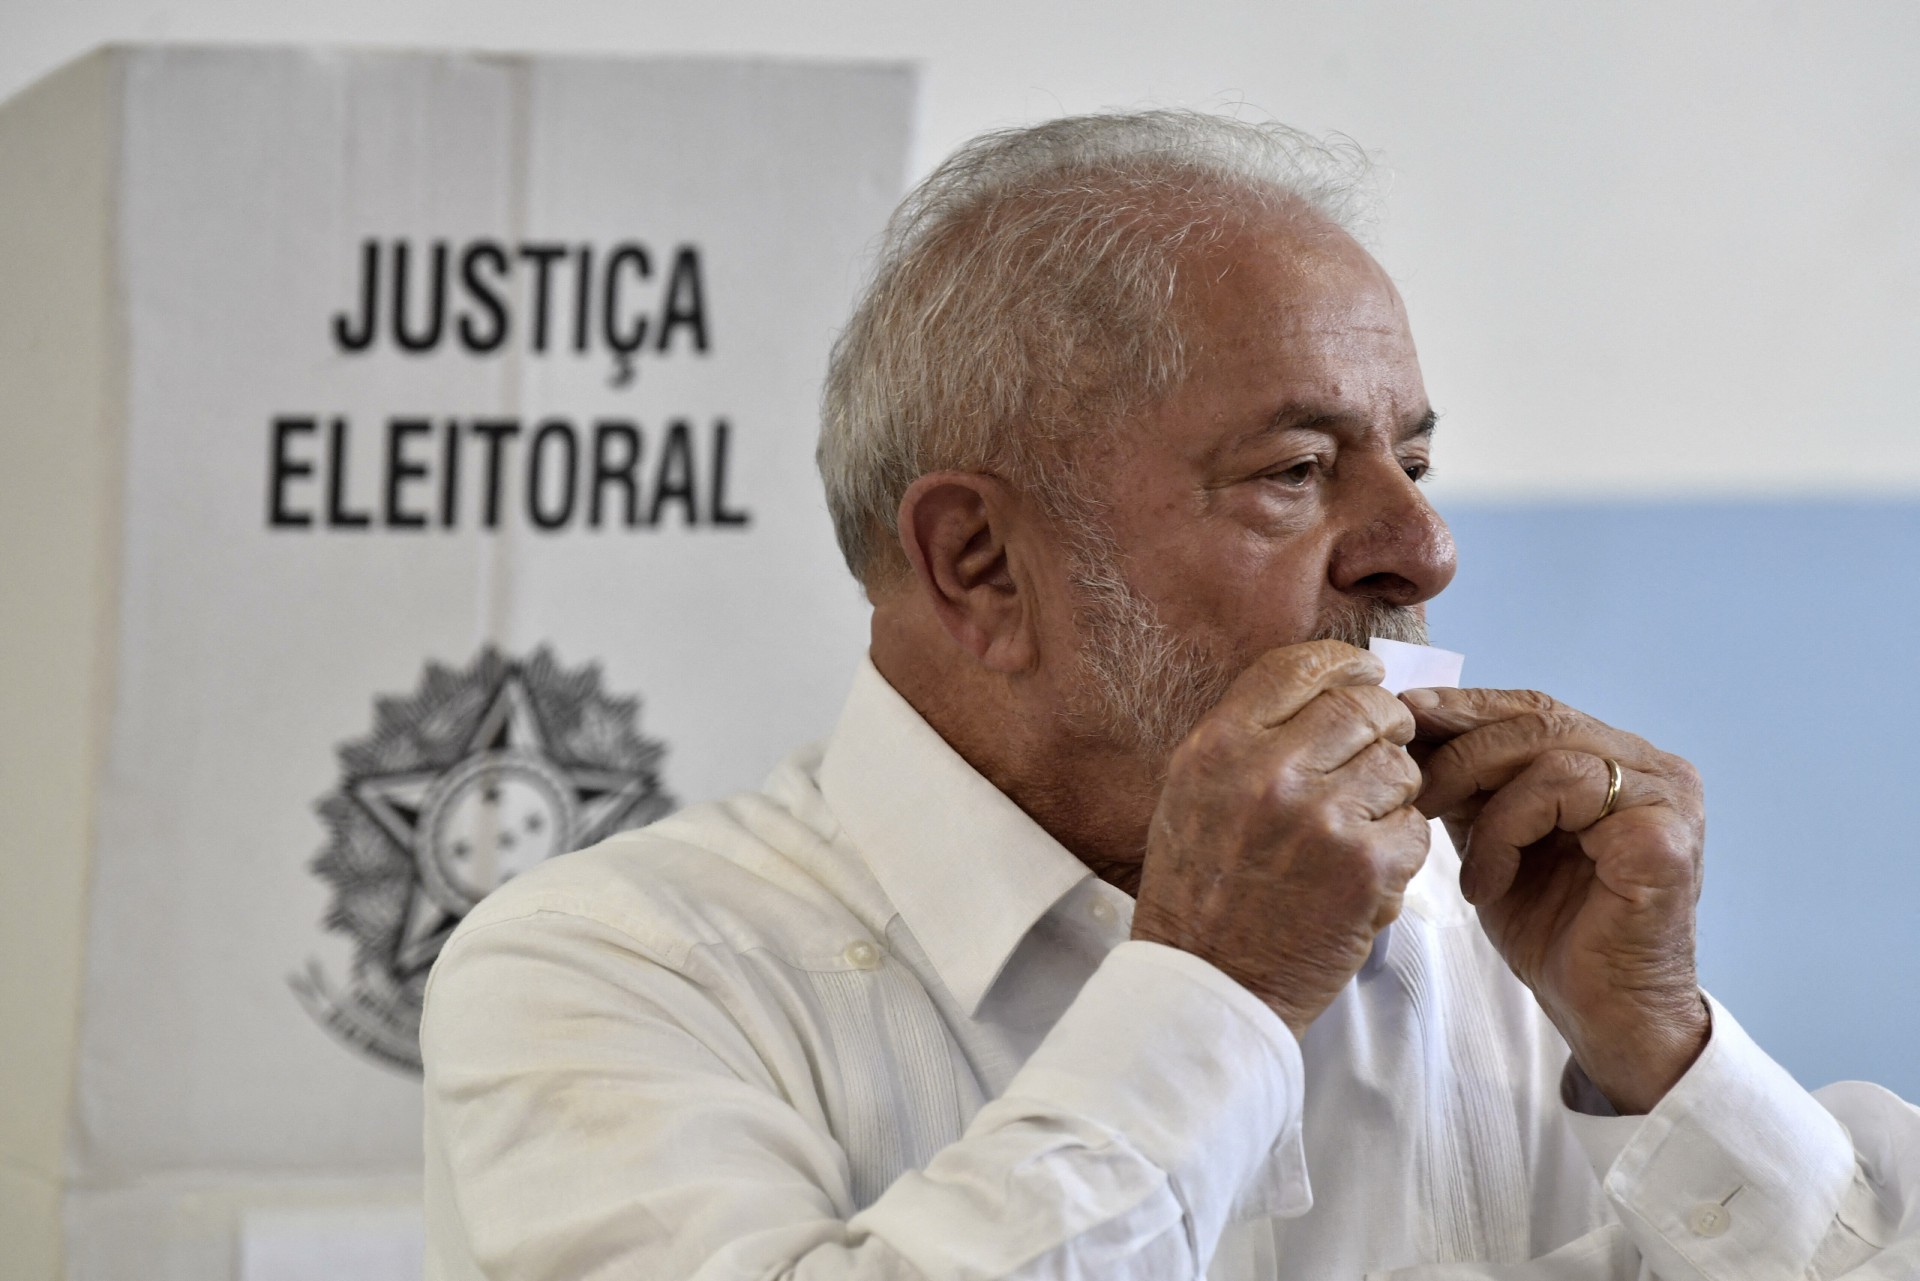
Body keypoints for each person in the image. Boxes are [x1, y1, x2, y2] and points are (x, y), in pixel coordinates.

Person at [420, 111, 1919, 1279]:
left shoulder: (1491, 952)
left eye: (1417, 458)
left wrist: (1666, 1052)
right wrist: (1216, 993)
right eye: (1295, 470)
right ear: (980, 562)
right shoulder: (605, 974)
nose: (1425, 550)